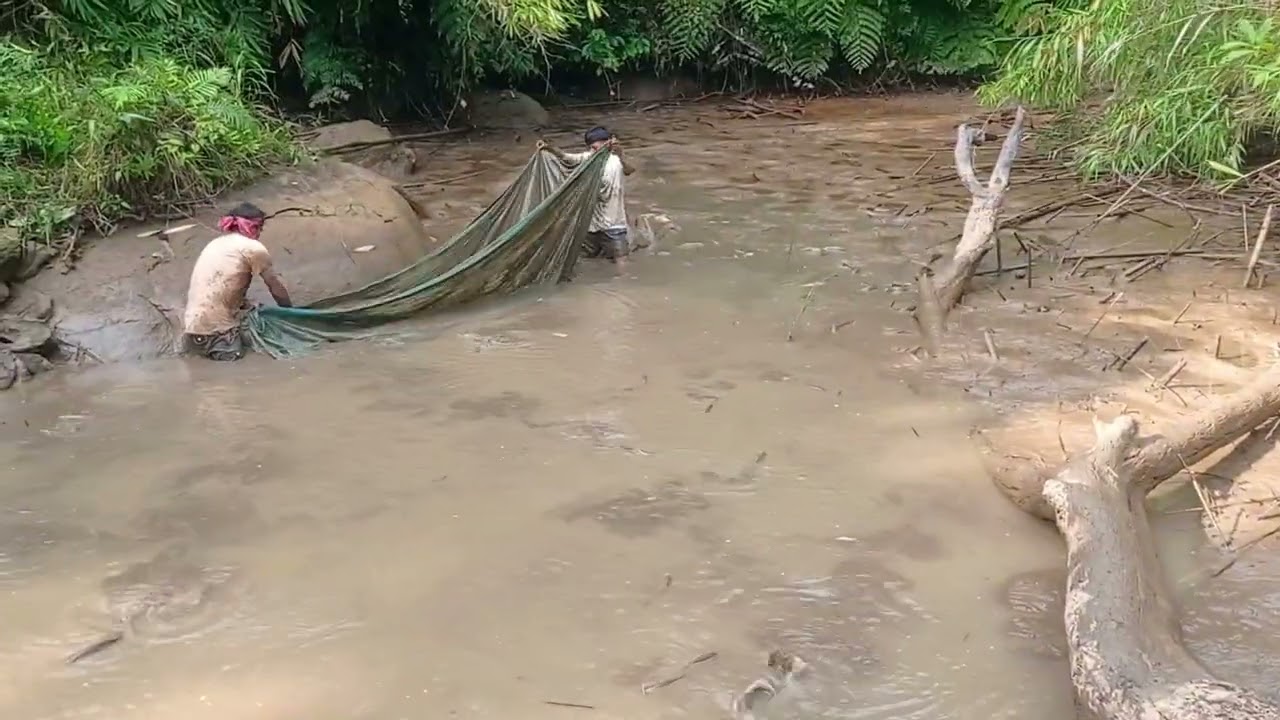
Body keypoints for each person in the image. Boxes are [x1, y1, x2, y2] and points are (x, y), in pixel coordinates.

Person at [182, 202, 292, 361]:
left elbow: (221, 284)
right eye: (259, 227)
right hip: (219, 333)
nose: (260, 232)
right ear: (253, 226)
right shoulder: (253, 248)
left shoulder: (215, 244)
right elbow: (275, 287)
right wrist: (289, 313)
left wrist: (244, 303)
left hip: (191, 327)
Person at [537, 126, 636, 270]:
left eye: (598, 147)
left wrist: (620, 154)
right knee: (586, 259)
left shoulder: (616, 160)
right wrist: (549, 148)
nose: (595, 151)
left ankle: (623, 288)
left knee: (621, 259)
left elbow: (629, 170)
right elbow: (565, 157)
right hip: (591, 223)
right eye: (592, 148)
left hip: (614, 223)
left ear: (608, 143)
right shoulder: (587, 158)